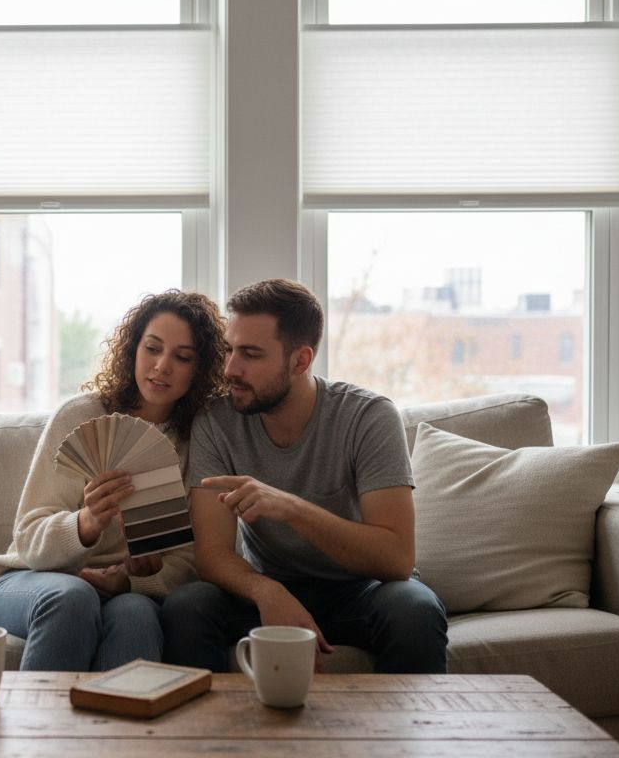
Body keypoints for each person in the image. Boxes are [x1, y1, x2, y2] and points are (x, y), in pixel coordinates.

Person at [161, 278, 448, 674]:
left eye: (250, 354)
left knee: (415, 609)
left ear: (300, 361)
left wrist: (292, 509)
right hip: (269, 586)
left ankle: (407, 735)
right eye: (229, 350)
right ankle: (206, 735)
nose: (230, 369)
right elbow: (212, 556)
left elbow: (397, 559)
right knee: (187, 606)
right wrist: (267, 591)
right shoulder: (216, 421)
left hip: (359, 591)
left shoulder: (368, 417)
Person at [0, 290, 228, 671]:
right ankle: (41, 730)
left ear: (199, 369)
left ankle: (120, 730)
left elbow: (187, 561)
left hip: (123, 591)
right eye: (152, 348)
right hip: (32, 580)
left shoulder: (197, 440)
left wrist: (134, 582)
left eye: (182, 357)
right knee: (74, 598)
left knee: (136, 614)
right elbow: (27, 539)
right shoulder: (79, 416)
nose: (162, 366)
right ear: (133, 349)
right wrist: (86, 523)